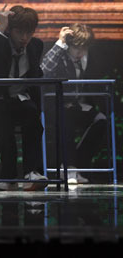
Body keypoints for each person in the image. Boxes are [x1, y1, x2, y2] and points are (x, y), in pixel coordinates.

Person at [0, 4, 47, 191]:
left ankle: (32, 173)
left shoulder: (36, 46)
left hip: (21, 99)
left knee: (34, 122)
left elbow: (35, 74)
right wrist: (1, 27)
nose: (24, 38)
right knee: (3, 125)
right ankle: (8, 177)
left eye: (29, 33)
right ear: (10, 30)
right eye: (19, 32)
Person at [41, 23, 107, 183]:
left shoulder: (87, 57)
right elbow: (43, 71)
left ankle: (78, 166)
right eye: (77, 48)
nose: (80, 53)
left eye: (84, 48)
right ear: (69, 45)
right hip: (55, 105)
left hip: (77, 105)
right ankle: (69, 168)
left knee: (101, 120)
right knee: (67, 118)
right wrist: (60, 43)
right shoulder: (60, 54)